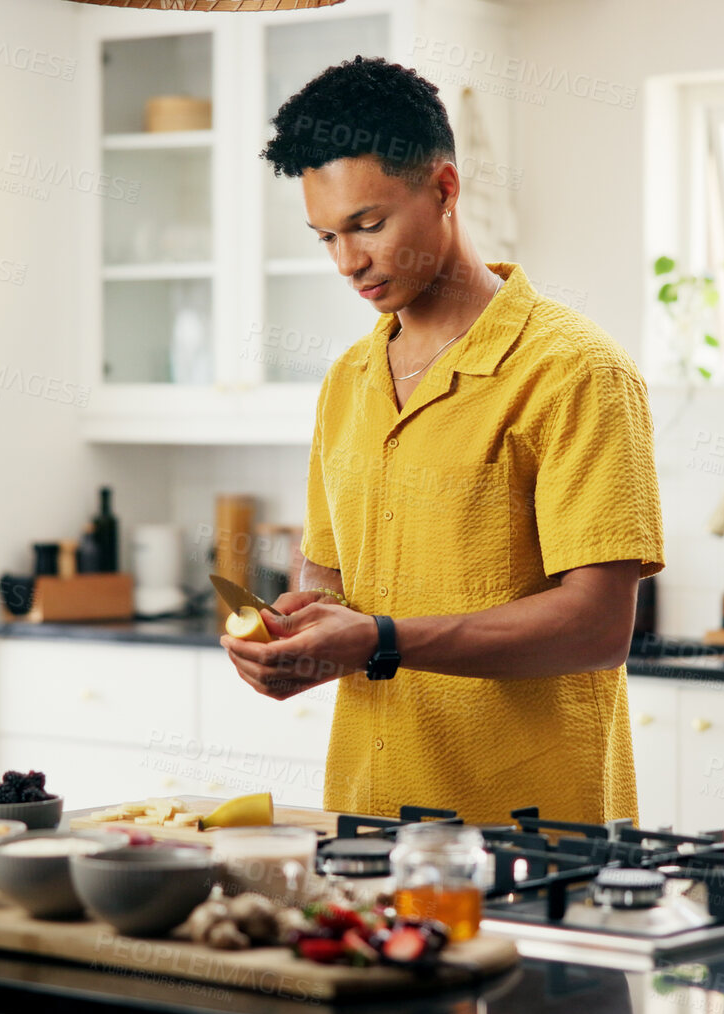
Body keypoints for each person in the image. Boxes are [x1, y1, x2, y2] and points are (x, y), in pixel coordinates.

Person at [219, 56, 663, 824]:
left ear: (444, 188)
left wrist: (379, 639)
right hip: (364, 826)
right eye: (325, 235)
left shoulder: (574, 369)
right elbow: (328, 585)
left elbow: (597, 627)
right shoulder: (347, 381)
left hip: (532, 838)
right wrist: (293, 638)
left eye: (368, 225)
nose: (347, 262)